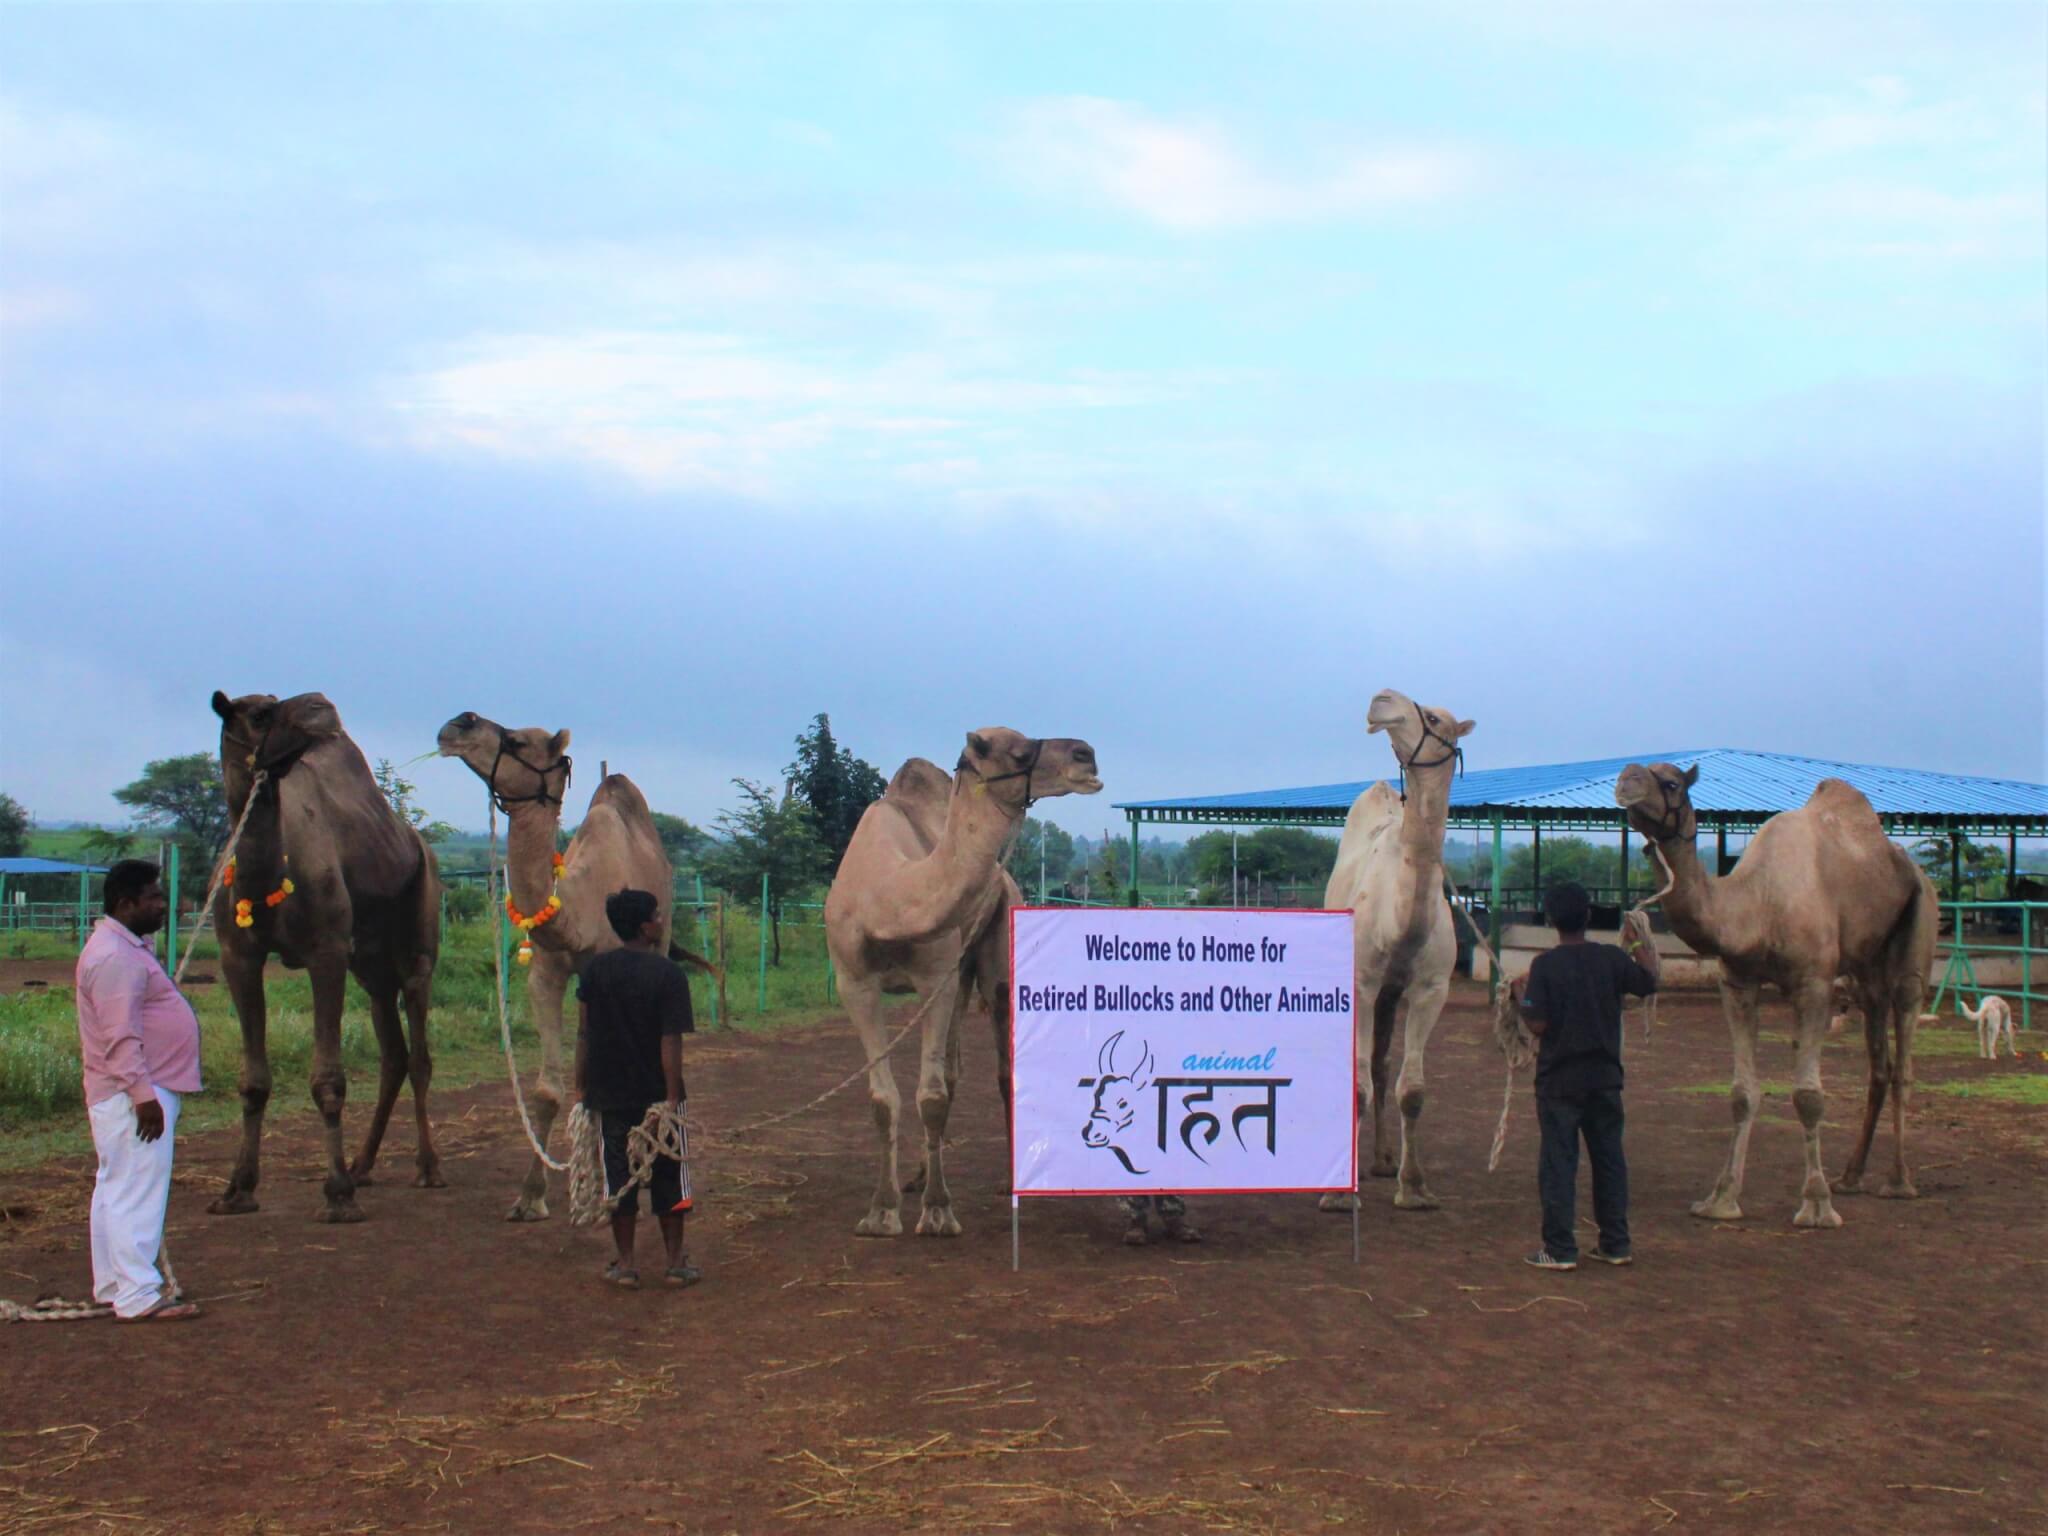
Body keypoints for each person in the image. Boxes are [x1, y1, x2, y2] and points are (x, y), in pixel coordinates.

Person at [75, 859, 203, 1322]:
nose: (161, 904)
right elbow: (120, 1037)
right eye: (152, 897)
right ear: (125, 904)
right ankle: (137, 1294)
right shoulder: (113, 958)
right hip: (136, 1093)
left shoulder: (126, 947)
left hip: (132, 1091)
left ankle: (115, 1283)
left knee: (117, 1185)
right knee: (137, 1189)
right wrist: (143, 1096)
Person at [1511, 881, 1659, 1272]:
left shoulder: (1545, 967)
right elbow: (1649, 980)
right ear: (1589, 916)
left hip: (1560, 1082)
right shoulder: (1611, 959)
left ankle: (1559, 1249)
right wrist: (1635, 943)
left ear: (1548, 920)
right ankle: (1615, 1243)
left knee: (1559, 1163)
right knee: (1609, 1159)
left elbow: (1538, 1023)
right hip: (1605, 1078)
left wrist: (1519, 996)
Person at [573, 888, 698, 1290]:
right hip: (656, 1096)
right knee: (670, 1176)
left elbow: (584, 1032)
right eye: (658, 916)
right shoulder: (668, 975)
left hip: (609, 1093)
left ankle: (625, 1264)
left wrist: (580, 1085)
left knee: (618, 1178)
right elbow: (670, 1040)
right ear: (645, 927)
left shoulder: (594, 972)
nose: (662, 921)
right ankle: (675, 1262)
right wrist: (673, 1095)